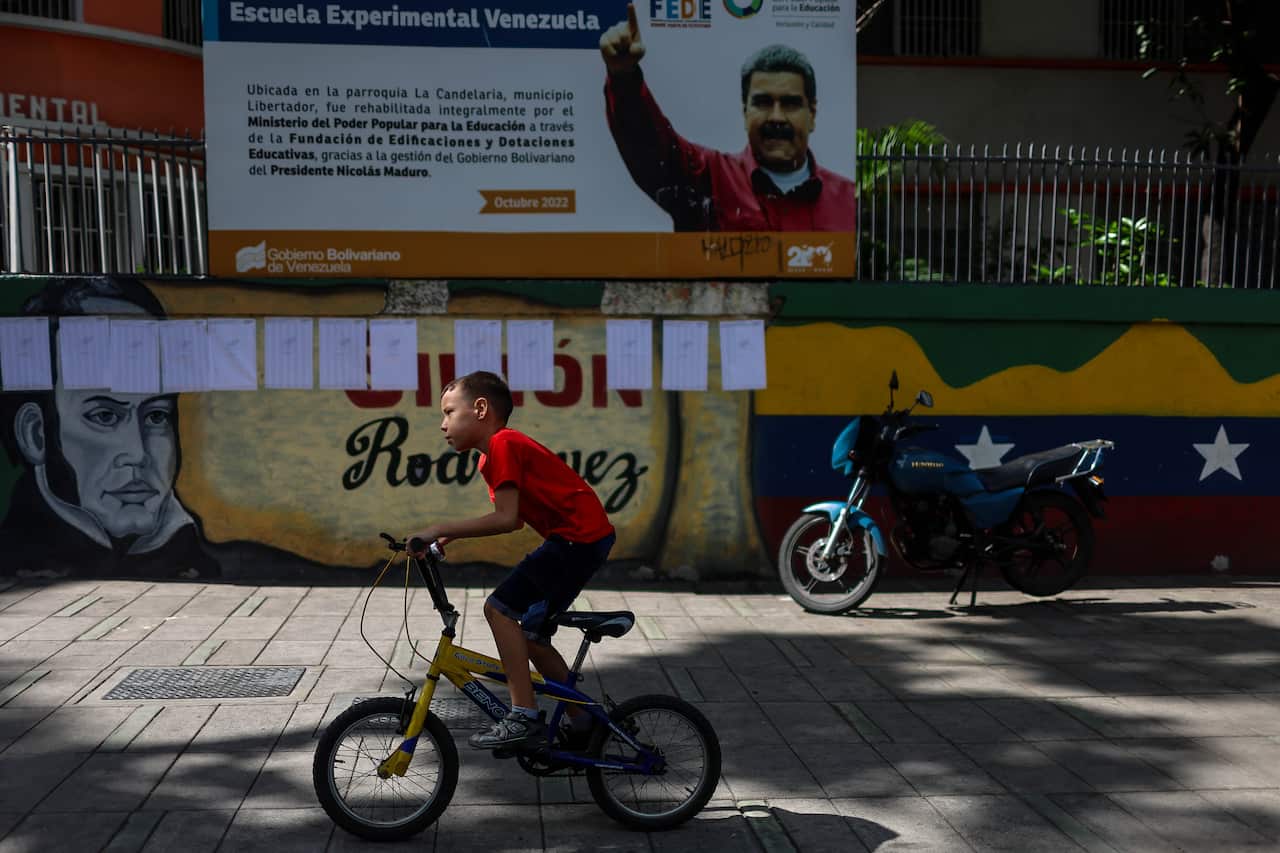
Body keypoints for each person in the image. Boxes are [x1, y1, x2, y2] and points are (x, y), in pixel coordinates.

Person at [410, 371, 616, 752]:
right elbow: (514, 517)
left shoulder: (504, 444)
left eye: (449, 412)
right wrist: (448, 536)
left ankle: (524, 713)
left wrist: (438, 525)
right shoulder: (491, 458)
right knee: (533, 638)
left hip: (577, 539)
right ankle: (587, 722)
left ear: (481, 409)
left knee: (499, 609)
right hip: (582, 539)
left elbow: (505, 520)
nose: (442, 425)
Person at [0, 276, 221, 580]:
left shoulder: (235, 564)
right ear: (35, 435)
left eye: (156, 417)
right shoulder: (14, 565)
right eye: (104, 416)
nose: (137, 452)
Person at [600, 2, 857, 232]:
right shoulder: (707, 178)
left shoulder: (847, 201)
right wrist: (624, 78)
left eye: (790, 104)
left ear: (812, 114)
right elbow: (652, 150)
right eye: (763, 102)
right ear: (745, 112)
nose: (777, 117)